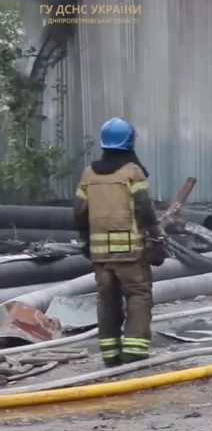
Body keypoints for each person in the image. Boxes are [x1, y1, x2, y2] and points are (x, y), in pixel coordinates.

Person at [73, 117, 167, 367]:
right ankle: (134, 351)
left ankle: (111, 354)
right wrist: (157, 239)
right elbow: (145, 209)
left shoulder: (88, 173)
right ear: (129, 142)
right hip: (130, 254)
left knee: (107, 301)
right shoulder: (132, 172)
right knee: (138, 296)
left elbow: (79, 212)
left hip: (100, 257)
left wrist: (85, 243)